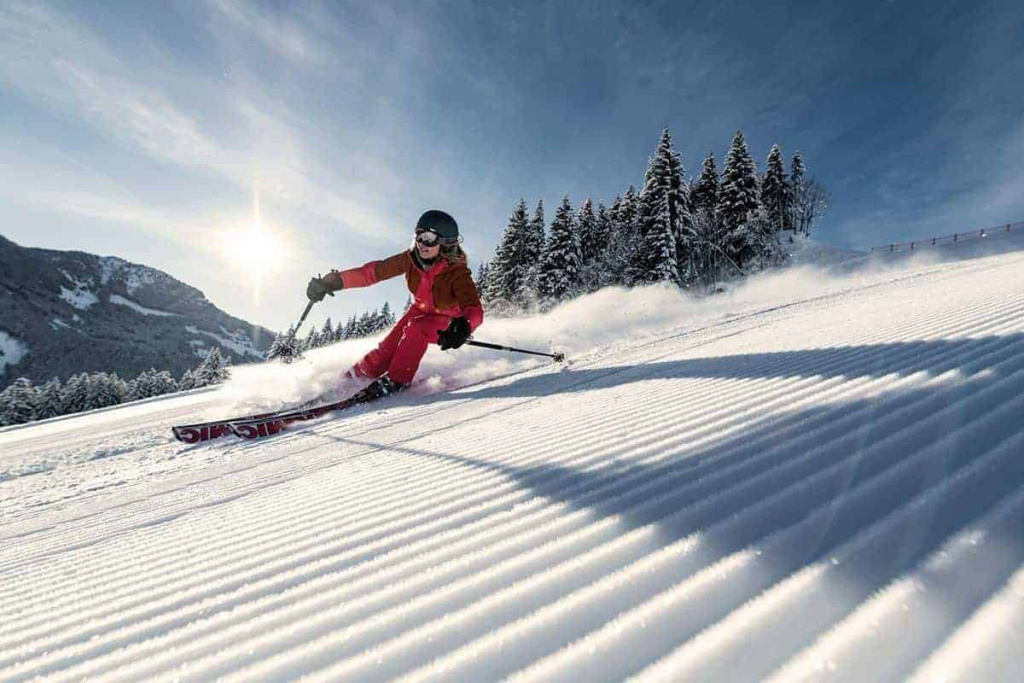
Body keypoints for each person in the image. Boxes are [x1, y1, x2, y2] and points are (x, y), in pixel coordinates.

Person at [305, 209, 484, 400]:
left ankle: (396, 380)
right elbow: (373, 272)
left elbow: (474, 309)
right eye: (419, 235)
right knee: (386, 349)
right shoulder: (410, 259)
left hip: (448, 322)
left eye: (429, 238)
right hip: (419, 310)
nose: (422, 243)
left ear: (446, 243)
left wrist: (464, 326)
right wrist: (333, 282)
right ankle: (351, 381)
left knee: (417, 328)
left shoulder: (457, 273)